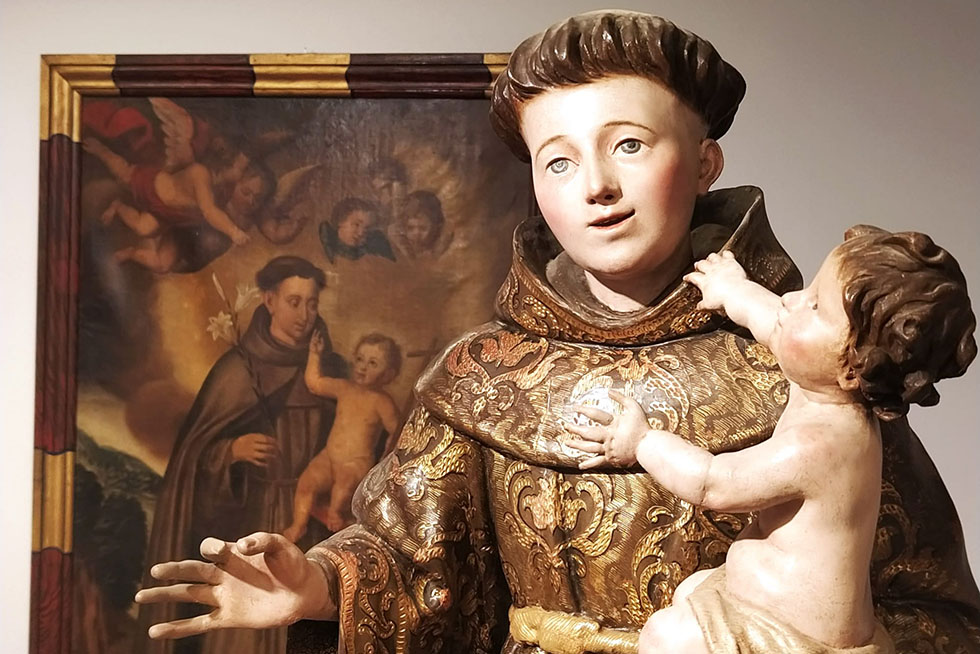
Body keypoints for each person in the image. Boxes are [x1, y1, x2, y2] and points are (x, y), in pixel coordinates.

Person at [136, 12, 980, 654]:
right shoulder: (482, 374)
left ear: (705, 164)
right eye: (560, 161)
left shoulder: (806, 374)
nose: (597, 187)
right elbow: (414, 560)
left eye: (630, 145)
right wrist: (317, 586)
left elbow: (929, 607)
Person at [565, 231, 976, 652]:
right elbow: (775, 323)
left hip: (796, 639)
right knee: (691, 589)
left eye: (816, 306)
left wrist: (641, 441)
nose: (793, 300)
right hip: (764, 607)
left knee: (667, 636)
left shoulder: (822, 444)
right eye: (810, 288)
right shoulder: (825, 380)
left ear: (853, 368)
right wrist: (732, 290)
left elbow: (712, 483)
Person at [139, 255, 345, 654]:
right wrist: (230, 450)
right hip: (251, 521)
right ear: (269, 300)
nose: (305, 315)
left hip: (314, 525)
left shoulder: (330, 368)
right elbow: (190, 460)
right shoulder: (236, 370)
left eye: (312, 303)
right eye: (294, 302)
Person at [283, 331, 402, 541]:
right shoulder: (344, 388)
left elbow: (398, 430)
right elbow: (314, 383)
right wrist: (314, 354)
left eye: (373, 363)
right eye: (360, 359)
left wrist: (390, 451)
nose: (363, 367)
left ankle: (335, 512)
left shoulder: (382, 402)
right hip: (328, 457)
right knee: (306, 482)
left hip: (356, 463)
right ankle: (298, 525)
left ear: (388, 375)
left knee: (344, 486)